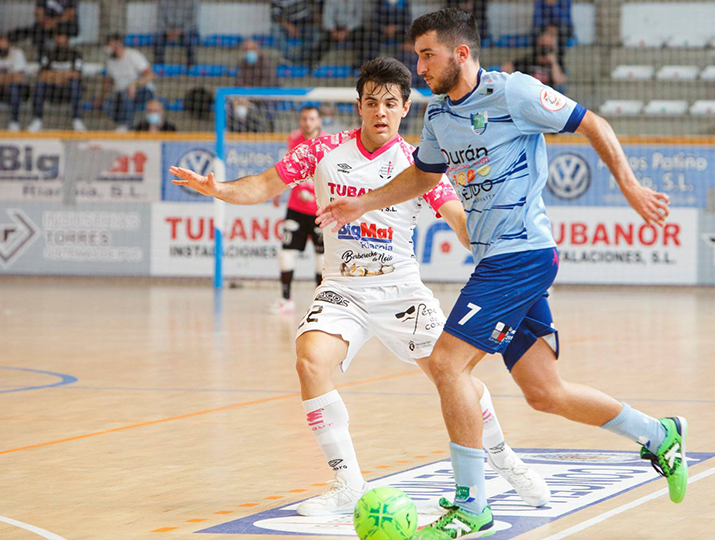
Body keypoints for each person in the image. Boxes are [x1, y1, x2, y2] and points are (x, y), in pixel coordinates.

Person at [317, 11, 687, 538]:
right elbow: (423, 176)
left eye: (427, 54)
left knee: (447, 364)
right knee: (544, 392)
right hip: (495, 259)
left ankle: (472, 507)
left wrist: (628, 186)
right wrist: (364, 203)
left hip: (523, 255)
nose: (418, 66)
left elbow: (593, 123)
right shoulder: (441, 117)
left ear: (460, 53)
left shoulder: (513, 94)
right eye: (418, 54)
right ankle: (659, 434)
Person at [169, 56, 549, 518]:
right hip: (342, 290)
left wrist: (507, 253)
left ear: (406, 108)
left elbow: (459, 221)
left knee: (454, 379)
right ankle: (347, 481)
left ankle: (504, 458)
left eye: (391, 103)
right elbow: (264, 185)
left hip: (402, 292)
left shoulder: (419, 165)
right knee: (310, 361)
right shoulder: (322, 150)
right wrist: (219, 189)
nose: (381, 112)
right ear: (359, 106)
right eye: (372, 103)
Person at [269, 106, 327, 314]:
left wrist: (313, 191)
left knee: (322, 259)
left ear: (319, 121)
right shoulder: (293, 139)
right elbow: (288, 168)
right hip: (295, 208)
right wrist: (278, 192)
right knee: (285, 254)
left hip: (320, 210)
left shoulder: (328, 142)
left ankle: (321, 303)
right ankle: (286, 299)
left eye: (312, 118)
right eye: (304, 118)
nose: (308, 122)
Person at [27, 32, 86, 132]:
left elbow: (77, 74)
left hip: (67, 91)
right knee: (39, 85)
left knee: (75, 84)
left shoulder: (76, 54)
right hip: (52, 90)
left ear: (67, 40)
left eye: (62, 38)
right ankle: (37, 120)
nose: (60, 41)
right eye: (58, 38)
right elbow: (42, 75)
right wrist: (63, 76)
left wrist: (55, 76)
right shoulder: (48, 54)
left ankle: (77, 120)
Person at [97, 34, 156, 132]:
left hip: (143, 91)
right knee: (106, 104)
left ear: (117, 44)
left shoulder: (134, 55)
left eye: (110, 45)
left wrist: (134, 85)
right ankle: (124, 123)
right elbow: (108, 81)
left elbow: (150, 75)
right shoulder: (110, 62)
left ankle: (128, 126)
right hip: (121, 94)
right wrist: (101, 98)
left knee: (126, 93)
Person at [0, 35, 27, 131]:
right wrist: (9, 77)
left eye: (3, 44)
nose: (1, 47)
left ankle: (14, 122)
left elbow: (18, 77)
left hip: (18, 90)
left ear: (9, 45)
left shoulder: (17, 53)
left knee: (14, 87)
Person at [502, 28, 566, 93]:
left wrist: (553, 63)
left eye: (548, 44)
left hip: (546, 96)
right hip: (528, 93)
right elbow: (506, 68)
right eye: (543, 42)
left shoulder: (557, 62)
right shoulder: (529, 59)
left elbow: (558, 81)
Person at [8, 0, 78, 54]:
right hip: (45, 25)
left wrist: (54, 22)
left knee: (66, 30)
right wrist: (45, 22)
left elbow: (71, 13)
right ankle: (42, 58)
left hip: (64, 26)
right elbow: (38, 12)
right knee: (34, 32)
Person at [307, 0, 362, 67]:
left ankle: (360, 65)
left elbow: (358, 19)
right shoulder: (331, 1)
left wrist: (347, 30)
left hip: (351, 29)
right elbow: (327, 18)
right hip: (334, 28)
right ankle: (311, 64)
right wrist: (334, 31)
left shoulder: (358, 1)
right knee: (323, 40)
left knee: (361, 38)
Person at [360, 0, 411, 67]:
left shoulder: (404, 2)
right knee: (371, 38)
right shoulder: (379, 2)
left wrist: (396, 28)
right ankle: (370, 66)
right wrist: (384, 29)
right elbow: (375, 21)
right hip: (382, 33)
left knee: (409, 39)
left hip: (399, 33)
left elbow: (407, 22)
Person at [154, 0, 198, 67]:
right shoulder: (163, 2)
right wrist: (168, 31)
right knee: (157, 39)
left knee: (189, 39)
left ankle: (191, 66)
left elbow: (192, 21)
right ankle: (159, 66)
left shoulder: (192, 2)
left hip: (185, 30)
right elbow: (160, 20)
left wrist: (181, 31)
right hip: (167, 30)